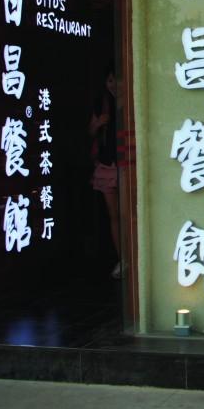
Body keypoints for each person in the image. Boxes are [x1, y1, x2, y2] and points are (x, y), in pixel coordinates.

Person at [89, 69, 123, 279]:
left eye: (116, 79)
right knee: (114, 216)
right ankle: (122, 259)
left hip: (126, 163)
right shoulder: (101, 103)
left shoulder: (130, 100)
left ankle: (133, 257)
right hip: (106, 163)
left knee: (128, 215)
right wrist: (99, 123)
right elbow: (90, 132)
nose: (113, 84)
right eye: (109, 79)